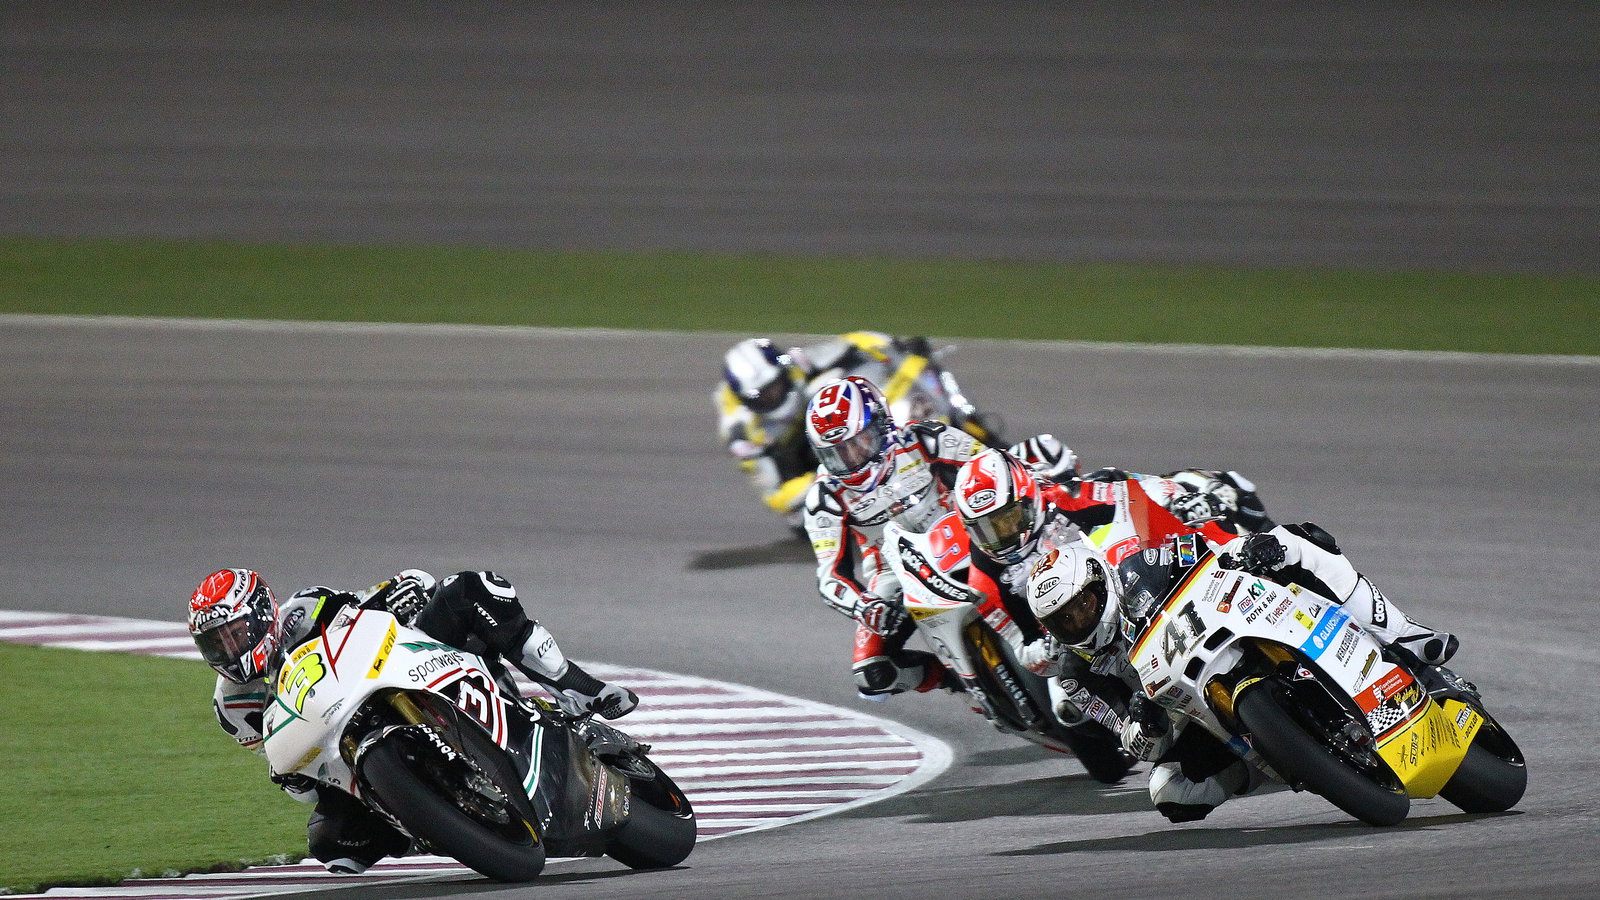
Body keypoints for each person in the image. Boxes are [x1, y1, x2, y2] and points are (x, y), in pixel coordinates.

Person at [1007, 480, 1459, 822]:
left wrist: (1242, 547)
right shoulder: (1075, 673)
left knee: (1295, 541)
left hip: (1220, 624)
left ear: (1100, 584)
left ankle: (1403, 634)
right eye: (1065, 620)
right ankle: (1275, 761)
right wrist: (1143, 723)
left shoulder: (1133, 567)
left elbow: (1199, 548)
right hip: (1184, 711)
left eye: (1083, 605)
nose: (1078, 620)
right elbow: (1136, 741)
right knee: (1170, 791)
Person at [187, 566, 639, 874]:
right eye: (215, 643)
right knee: (331, 845)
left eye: (234, 633)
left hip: (406, 672)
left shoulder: (307, 607)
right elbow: (297, 778)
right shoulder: (233, 707)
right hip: (344, 746)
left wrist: (401, 593)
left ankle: (575, 686)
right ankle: (428, 820)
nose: (228, 649)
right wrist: (293, 779)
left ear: (262, 614)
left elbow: (387, 595)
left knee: (468, 589)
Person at [801, 374, 1000, 699]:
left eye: (859, 442)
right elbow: (830, 577)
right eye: (837, 453)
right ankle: (955, 680)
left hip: (964, 534)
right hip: (894, 573)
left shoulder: (927, 439)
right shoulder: (824, 497)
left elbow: (995, 467)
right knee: (872, 676)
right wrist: (865, 606)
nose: (852, 459)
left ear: (882, 424)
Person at [717, 332, 997, 533]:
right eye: (763, 395)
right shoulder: (743, 433)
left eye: (775, 385)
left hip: (820, 431)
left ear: (783, 370)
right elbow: (776, 496)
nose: (773, 396)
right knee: (811, 513)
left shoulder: (796, 366)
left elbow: (854, 342)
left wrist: (894, 347)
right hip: (803, 471)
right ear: (746, 400)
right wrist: (832, 477)